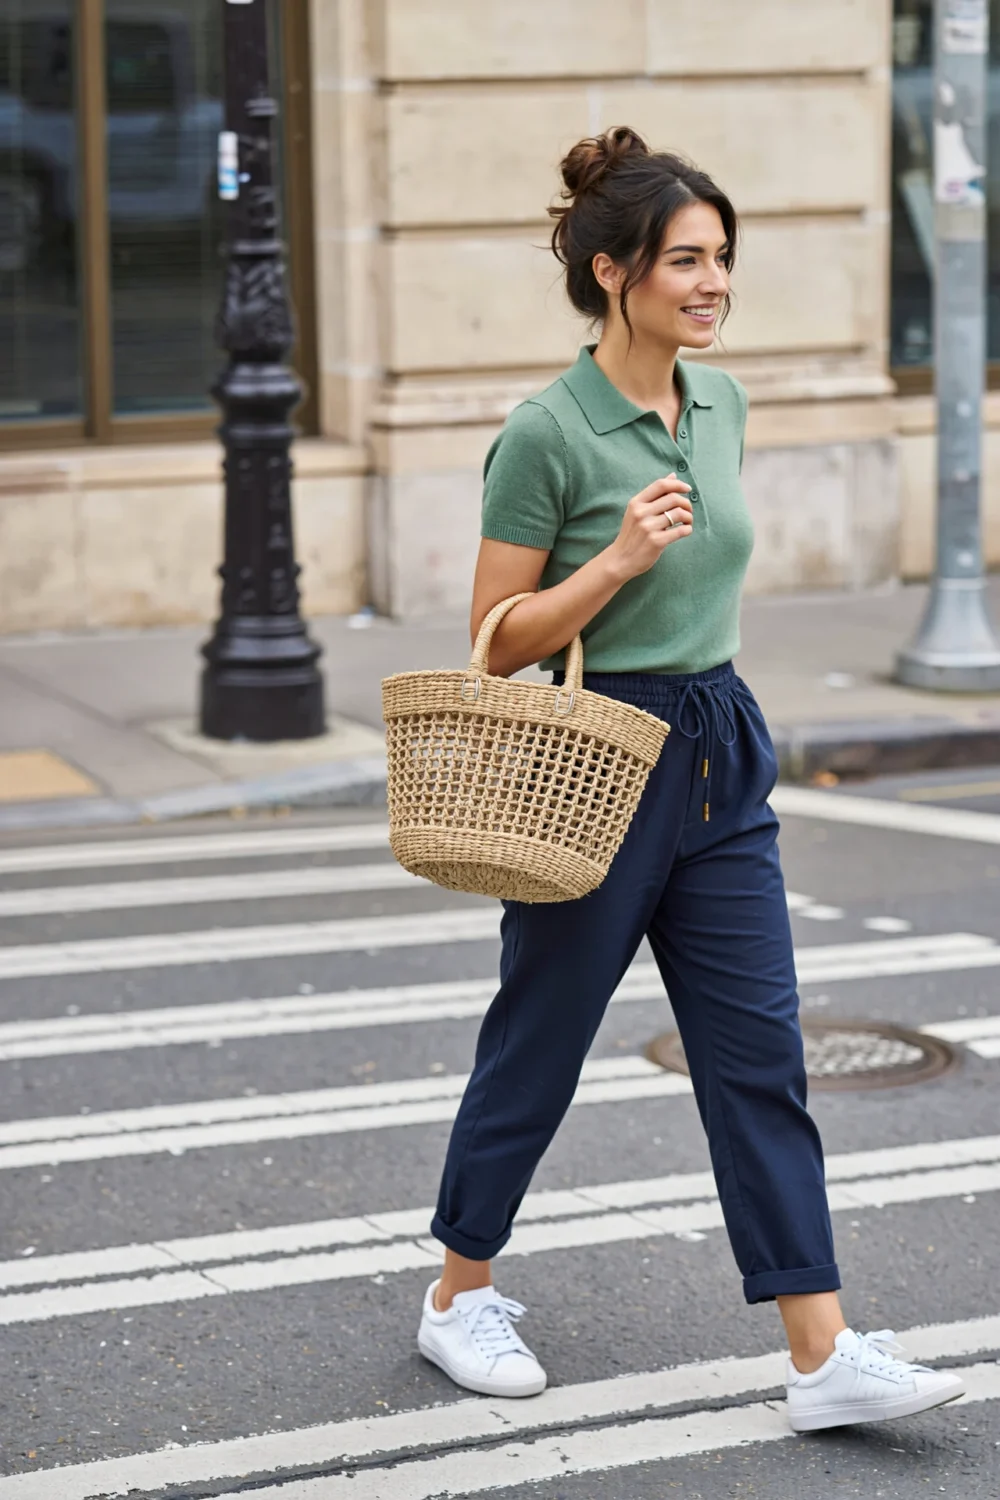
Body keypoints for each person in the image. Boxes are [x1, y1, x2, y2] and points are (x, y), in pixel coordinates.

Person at [416, 127, 964, 1433]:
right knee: (538, 1046)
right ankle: (456, 1298)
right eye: (687, 261)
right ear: (615, 272)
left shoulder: (723, 406)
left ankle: (819, 1349)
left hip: (722, 747)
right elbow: (491, 645)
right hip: (597, 761)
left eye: (723, 259)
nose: (714, 282)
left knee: (759, 1055)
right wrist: (608, 567)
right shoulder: (547, 433)